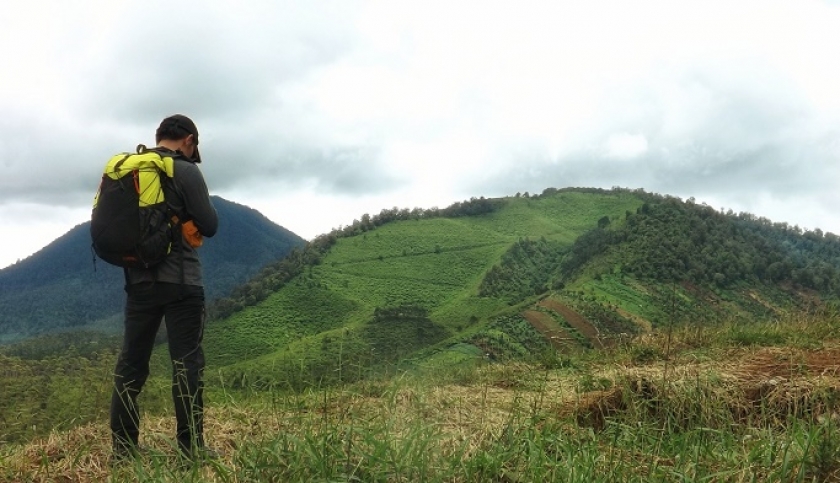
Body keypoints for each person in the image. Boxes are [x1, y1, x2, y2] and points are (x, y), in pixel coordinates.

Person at [110, 114, 219, 462]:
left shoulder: (132, 171)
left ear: (158, 137)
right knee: (187, 365)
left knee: (131, 365)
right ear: (188, 140)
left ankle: (123, 453)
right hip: (181, 283)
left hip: (138, 281)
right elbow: (210, 225)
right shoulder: (185, 170)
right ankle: (191, 450)